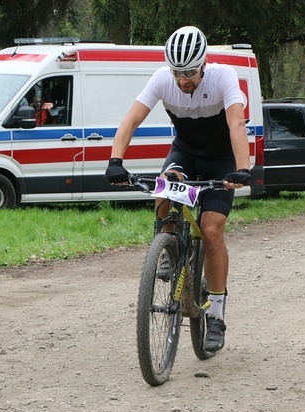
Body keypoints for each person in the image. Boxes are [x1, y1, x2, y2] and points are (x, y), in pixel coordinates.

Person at [105, 26, 251, 353]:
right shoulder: (161, 79)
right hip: (185, 152)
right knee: (164, 186)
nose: (182, 79)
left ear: (203, 64)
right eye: (176, 72)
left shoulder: (223, 77)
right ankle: (167, 244)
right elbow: (130, 120)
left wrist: (242, 169)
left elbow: (236, 124)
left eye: (189, 72)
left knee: (212, 230)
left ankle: (216, 314)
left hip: (221, 159)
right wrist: (115, 160)